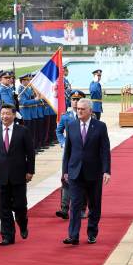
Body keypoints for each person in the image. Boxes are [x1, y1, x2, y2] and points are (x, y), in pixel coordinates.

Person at [62, 98, 111, 245]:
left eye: (83, 109)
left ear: (90, 110)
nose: (79, 111)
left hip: (93, 172)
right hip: (75, 172)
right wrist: (65, 171)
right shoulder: (71, 125)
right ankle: (73, 235)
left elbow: (105, 150)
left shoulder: (100, 126)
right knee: (75, 204)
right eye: (78, 109)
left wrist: (106, 170)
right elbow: (68, 150)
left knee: (94, 205)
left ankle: (92, 232)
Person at [0, 104, 35, 246]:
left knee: (20, 206)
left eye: (7, 113)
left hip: (19, 175)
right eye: (2, 113)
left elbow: (30, 152)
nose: (4, 116)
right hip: (1, 175)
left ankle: (22, 223)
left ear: (14, 115)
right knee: (4, 207)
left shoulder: (23, 131)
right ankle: (7, 236)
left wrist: (30, 171)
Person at [55, 90, 86, 220]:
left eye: (78, 100)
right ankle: (64, 208)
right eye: (73, 99)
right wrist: (63, 143)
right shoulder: (66, 117)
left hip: (83, 153)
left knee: (83, 180)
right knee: (66, 179)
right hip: (69, 153)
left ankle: (81, 209)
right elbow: (59, 131)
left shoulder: (89, 116)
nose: (75, 102)